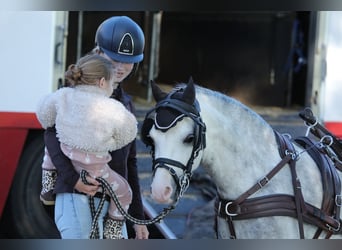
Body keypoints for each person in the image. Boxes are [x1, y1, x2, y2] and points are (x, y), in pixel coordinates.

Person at [42, 16, 149, 239]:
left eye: (127, 61)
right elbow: (51, 139)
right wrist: (73, 180)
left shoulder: (126, 103)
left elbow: (130, 162)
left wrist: (137, 217)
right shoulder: (74, 92)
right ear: (99, 52)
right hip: (76, 195)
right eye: (114, 58)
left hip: (112, 204)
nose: (120, 67)